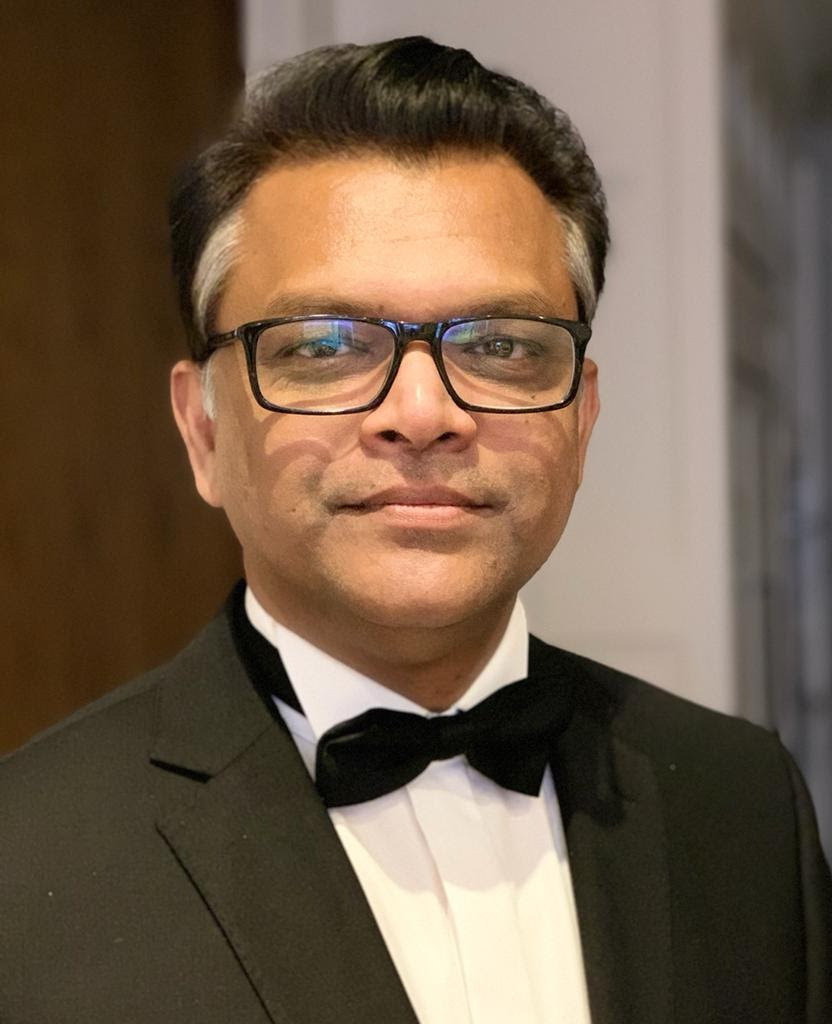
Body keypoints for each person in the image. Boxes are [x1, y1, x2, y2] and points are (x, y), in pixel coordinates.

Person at [1, 36, 830, 1024]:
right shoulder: (29, 859)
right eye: (326, 345)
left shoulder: (743, 805)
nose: (425, 413)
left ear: (581, 417)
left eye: (500, 344)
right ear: (203, 431)